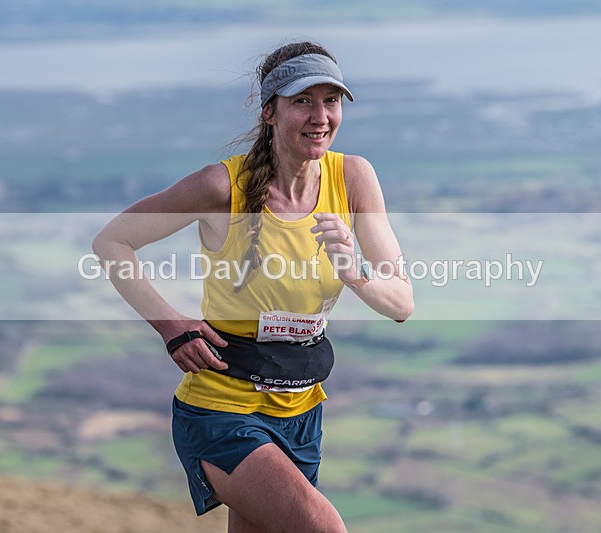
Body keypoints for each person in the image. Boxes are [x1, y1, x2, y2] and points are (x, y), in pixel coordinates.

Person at [92, 41, 413, 533]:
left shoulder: (353, 177)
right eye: (302, 101)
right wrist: (170, 325)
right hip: (221, 408)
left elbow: (401, 303)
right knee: (323, 528)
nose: (320, 116)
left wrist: (354, 273)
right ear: (270, 111)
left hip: (302, 408)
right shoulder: (221, 187)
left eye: (331, 101)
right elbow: (113, 241)